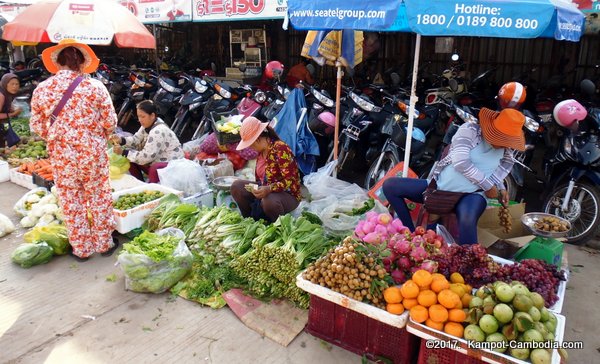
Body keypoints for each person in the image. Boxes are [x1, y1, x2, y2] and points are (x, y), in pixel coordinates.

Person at [382, 107, 526, 245]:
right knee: (390, 186)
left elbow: (496, 172)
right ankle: (409, 232)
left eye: (506, 140)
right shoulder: (469, 131)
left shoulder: (506, 151)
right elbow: (461, 162)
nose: (503, 144)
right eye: (500, 139)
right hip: (441, 187)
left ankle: (470, 260)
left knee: (467, 218)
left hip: (472, 195)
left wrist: (500, 188)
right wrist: (488, 185)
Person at [29, 39, 118, 261]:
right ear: (81, 63)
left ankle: (81, 249)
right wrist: (97, 136)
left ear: (57, 63)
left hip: (62, 156)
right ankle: (104, 244)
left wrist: (59, 137)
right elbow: (110, 122)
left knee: (71, 200)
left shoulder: (42, 89)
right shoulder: (94, 87)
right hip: (92, 154)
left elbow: (38, 127)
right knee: (98, 197)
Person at [230, 116, 302, 222]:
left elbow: (290, 181)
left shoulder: (280, 148)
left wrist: (269, 189)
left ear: (257, 140)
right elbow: (261, 180)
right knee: (237, 186)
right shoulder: (261, 153)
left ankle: (277, 226)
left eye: (250, 145)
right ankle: (249, 221)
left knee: (268, 201)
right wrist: (257, 189)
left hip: (288, 194)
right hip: (267, 189)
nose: (250, 148)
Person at [111, 100, 183, 182]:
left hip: (170, 167)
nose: (140, 120)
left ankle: (150, 187)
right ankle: (139, 183)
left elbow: (146, 157)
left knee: (151, 166)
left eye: (143, 116)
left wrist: (123, 152)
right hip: (155, 161)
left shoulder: (158, 131)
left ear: (152, 115)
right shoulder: (147, 125)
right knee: (130, 157)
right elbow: (136, 140)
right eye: (138, 116)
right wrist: (121, 140)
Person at [0, 73, 23, 148]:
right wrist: (12, 114)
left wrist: (11, 109)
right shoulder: (1, 96)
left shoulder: (8, 94)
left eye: (17, 84)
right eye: (12, 84)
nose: (15, 87)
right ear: (5, 84)